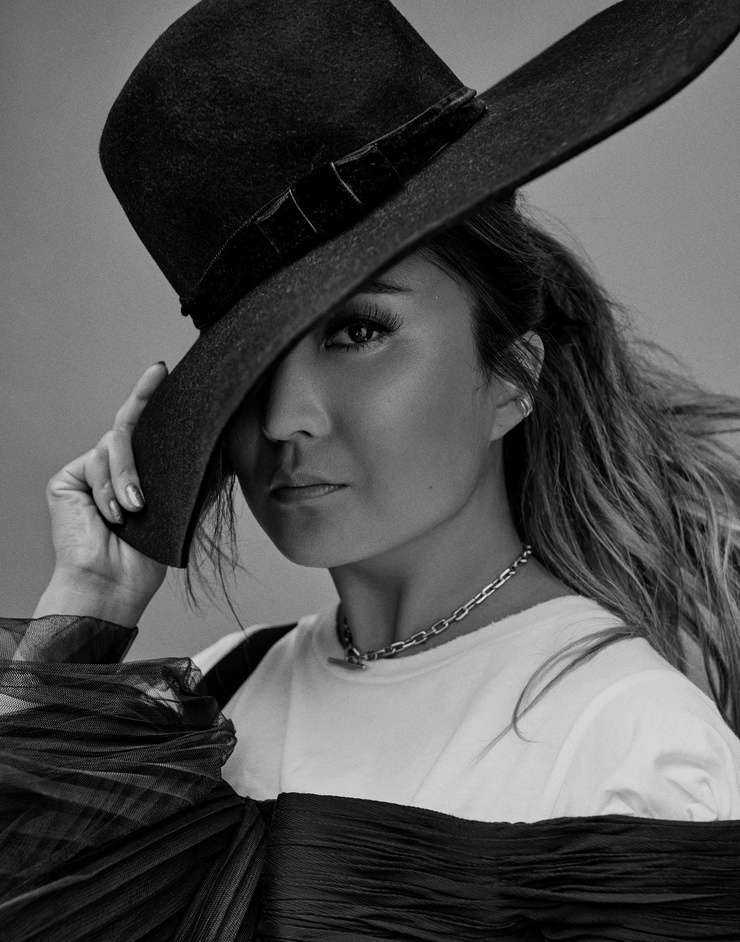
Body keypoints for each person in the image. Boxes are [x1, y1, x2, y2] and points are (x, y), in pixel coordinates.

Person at [2, 0, 740, 939]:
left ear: (511, 377)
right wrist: (88, 607)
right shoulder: (222, 688)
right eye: (248, 363)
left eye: (357, 332)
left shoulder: (632, 747)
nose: (283, 418)